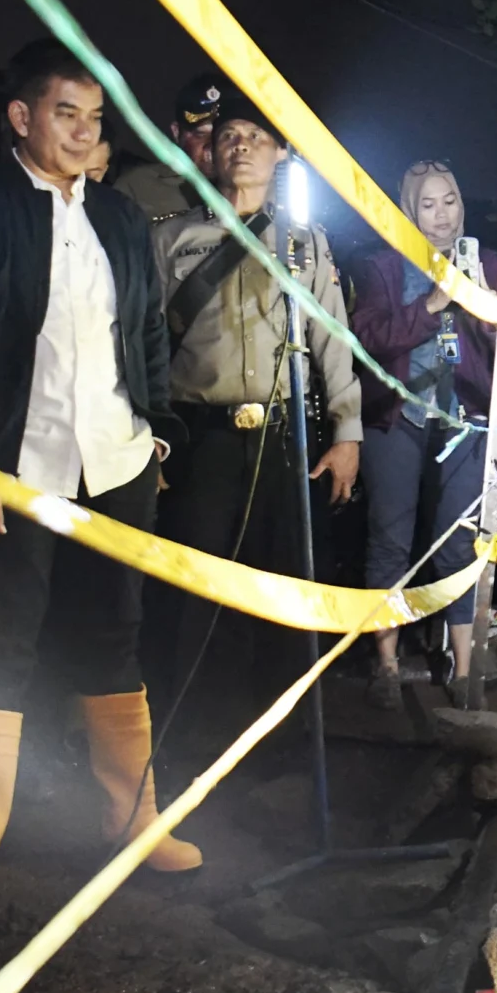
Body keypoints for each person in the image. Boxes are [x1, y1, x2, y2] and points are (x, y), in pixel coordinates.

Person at [0, 46, 198, 874]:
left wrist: (156, 432)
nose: (83, 131)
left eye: (95, 118)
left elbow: (146, 329)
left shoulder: (116, 215)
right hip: (18, 464)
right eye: (66, 113)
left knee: (115, 631)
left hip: (116, 461)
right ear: (22, 117)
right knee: (2, 635)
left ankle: (133, 820)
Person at [152, 88, 359, 735]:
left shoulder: (306, 244)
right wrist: (150, 439)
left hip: (284, 440)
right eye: (229, 137)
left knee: (285, 589)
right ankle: (190, 740)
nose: (240, 146)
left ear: (280, 154)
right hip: (201, 440)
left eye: (256, 137)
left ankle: (284, 746)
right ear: (209, 154)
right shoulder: (171, 240)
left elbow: (333, 338)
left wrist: (348, 432)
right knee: (197, 595)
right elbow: (145, 342)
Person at [349, 161, 497, 710]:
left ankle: (464, 669)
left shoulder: (487, 263)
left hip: (466, 418)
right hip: (396, 415)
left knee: (459, 542)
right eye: (427, 204)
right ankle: (387, 664)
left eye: (449, 200)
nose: (441, 214)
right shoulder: (379, 266)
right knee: (389, 538)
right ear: (407, 209)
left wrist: (487, 309)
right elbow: (368, 336)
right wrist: (432, 304)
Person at [108, 78, 221, 222]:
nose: (212, 145)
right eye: (200, 134)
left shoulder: (254, 185)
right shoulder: (137, 187)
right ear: (176, 132)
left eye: (225, 135)